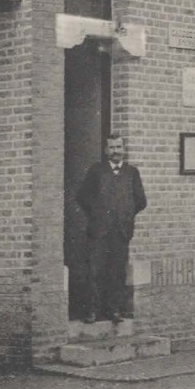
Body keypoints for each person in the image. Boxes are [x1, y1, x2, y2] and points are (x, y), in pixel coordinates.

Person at [76, 133, 147, 324]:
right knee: (95, 270)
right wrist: (98, 214)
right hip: (99, 230)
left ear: (124, 149)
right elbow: (82, 197)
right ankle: (92, 311)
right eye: (112, 147)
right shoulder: (96, 171)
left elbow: (141, 201)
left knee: (117, 271)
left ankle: (113, 309)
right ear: (106, 150)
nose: (116, 151)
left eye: (119, 147)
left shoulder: (132, 173)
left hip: (121, 232)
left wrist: (124, 215)